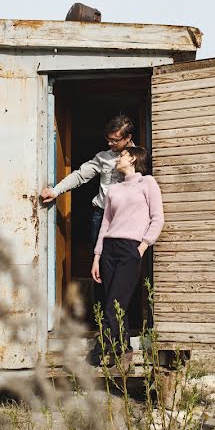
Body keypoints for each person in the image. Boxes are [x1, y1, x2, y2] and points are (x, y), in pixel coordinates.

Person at [91, 145, 164, 371]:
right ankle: (123, 352)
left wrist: (142, 247)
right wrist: (97, 255)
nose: (117, 158)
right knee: (113, 302)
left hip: (130, 249)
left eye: (121, 155)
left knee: (116, 303)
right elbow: (105, 224)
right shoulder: (113, 189)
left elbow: (157, 218)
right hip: (109, 249)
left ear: (132, 159)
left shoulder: (148, 183)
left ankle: (99, 350)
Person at [40, 115, 135, 248]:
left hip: (127, 217)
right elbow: (80, 175)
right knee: (97, 260)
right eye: (108, 139)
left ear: (128, 138)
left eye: (115, 140)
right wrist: (55, 191)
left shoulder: (140, 157)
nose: (110, 143)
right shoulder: (103, 157)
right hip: (102, 215)